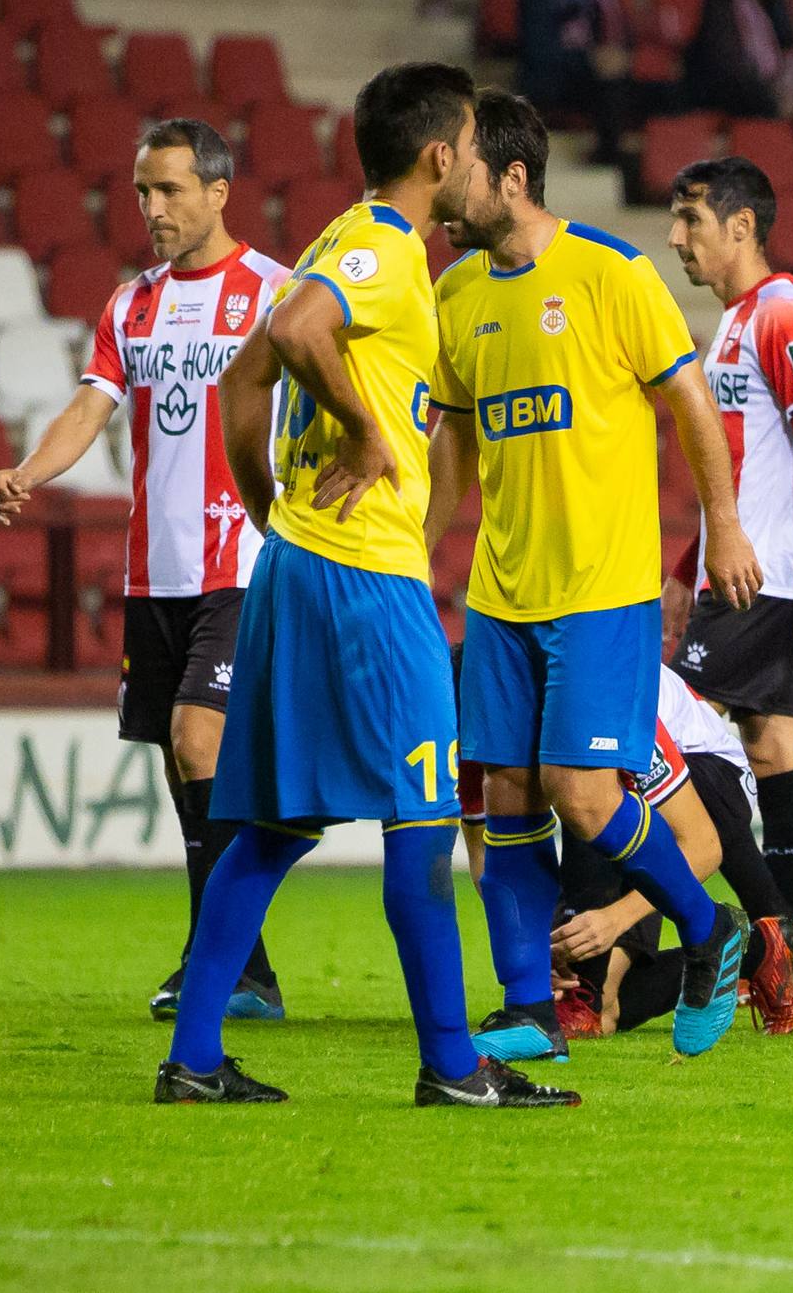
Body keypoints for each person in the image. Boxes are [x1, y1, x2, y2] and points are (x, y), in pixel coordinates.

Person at [157, 62, 568, 1107]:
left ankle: (194, 1061)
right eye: (473, 145)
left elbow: (247, 374)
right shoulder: (384, 250)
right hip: (365, 580)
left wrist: (267, 510)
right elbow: (290, 336)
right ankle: (453, 1066)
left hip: (299, 561)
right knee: (423, 823)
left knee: (269, 825)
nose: (479, 164)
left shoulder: (338, 236)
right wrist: (369, 431)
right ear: (442, 157)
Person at [425, 89, 761, 1065]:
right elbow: (452, 442)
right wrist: (415, 558)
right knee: (509, 796)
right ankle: (531, 1005)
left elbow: (691, 407)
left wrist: (725, 529)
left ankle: (710, 932)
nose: (440, 186)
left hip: (604, 588)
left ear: (514, 177)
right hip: (500, 593)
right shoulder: (455, 295)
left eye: (459, 168)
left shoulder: (612, 274)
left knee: (581, 790)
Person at [0, 119, 291, 1025]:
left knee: (201, 743)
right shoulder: (132, 305)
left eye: (167, 191)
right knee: (178, 760)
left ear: (218, 192)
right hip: (152, 574)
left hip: (242, 564)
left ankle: (226, 960)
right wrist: (31, 470)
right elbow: (94, 404)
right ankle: (238, 963)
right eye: (140, 193)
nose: (151, 210)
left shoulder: (277, 293)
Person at [662, 155, 793, 1010]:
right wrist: (678, 569)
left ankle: (766, 933)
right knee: (774, 753)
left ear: (742, 226)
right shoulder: (733, 323)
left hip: (760, 582)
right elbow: (731, 468)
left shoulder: (786, 314)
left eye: (691, 220)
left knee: (680, 746)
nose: (676, 238)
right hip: (734, 575)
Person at [457, 662, 793, 1049]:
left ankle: (585, 996)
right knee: (612, 1006)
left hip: (714, 774)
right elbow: (488, 864)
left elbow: (703, 847)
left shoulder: (599, 700)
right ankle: (752, 950)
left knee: (587, 794)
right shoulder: (481, 736)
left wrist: (612, 919)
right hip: (629, 800)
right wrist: (535, 947)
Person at [517, 0, 632, 164]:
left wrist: (619, 58)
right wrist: (590, 60)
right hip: (557, 79)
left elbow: (622, 37)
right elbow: (540, 53)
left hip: (600, 76)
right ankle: (608, 160)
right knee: (607, 83)